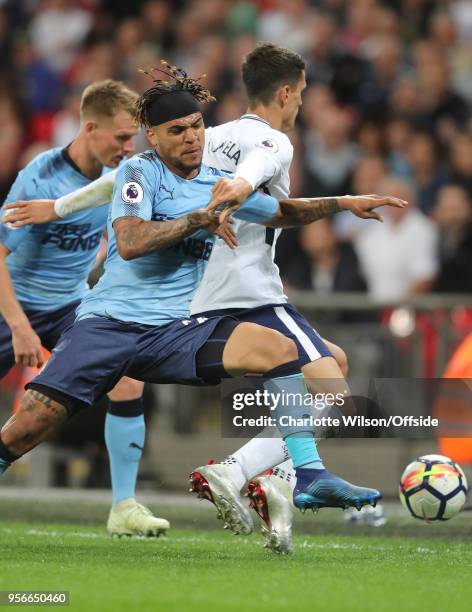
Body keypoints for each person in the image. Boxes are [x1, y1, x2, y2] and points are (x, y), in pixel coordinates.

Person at [2, 47, 402, 553]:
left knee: (279, 351)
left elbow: (279, 213)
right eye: (177, 131)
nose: (191, 137)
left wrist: (344, 204)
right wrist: (197, 219)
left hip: (173, 331)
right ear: (155, 138)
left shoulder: (214, 183)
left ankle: (307, 473)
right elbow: (129, 241)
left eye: (195, 127)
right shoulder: (139, 174)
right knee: (27, 428)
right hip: (108, 325)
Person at [0, 79, 170, 538]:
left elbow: (102, 236)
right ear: (90, 128)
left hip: (71, 305)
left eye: (132, 138)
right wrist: (19, 327)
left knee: (127, 376)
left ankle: (124, 506)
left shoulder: (122, 178)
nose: (127, 147)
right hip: (14, 307)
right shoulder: (42, 175)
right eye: (120, 137)